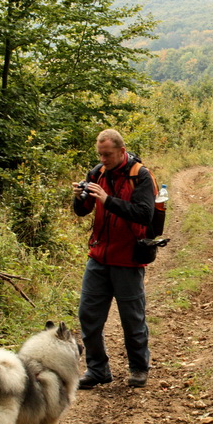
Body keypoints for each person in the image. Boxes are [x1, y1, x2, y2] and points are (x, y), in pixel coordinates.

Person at [72, 129, 154, 388]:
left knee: (132, 319)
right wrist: (79, 197)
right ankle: (97, 370)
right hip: (98, 256)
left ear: (121, 151)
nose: (103, 159)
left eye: (107, 155)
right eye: (100, 154)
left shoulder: (140, 176)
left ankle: (139, 368)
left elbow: (144, 214)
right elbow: (82, 211)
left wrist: (107, 200)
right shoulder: (97, 173)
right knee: (88, 315)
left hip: (128, 258)